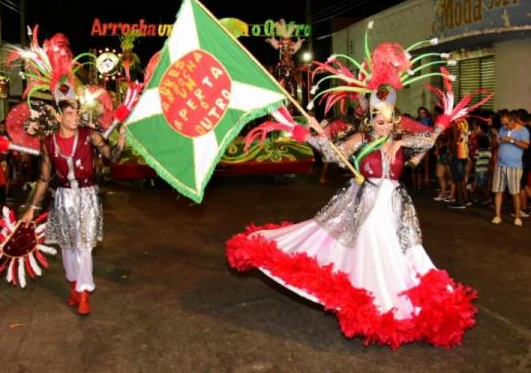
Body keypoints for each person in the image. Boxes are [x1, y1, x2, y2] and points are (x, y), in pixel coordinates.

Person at [226, 87, 477, 349]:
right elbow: (334, 154)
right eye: (380, 122)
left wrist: (404, 139)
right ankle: (374, 306)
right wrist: (311, 135)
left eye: (389, 121)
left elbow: (427, 140)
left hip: (394, 206)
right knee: (368, 249)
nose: (385, 126)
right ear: (370, 120)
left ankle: (400, 308)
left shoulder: (399, 136)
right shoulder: (360, 138)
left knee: (405, 252)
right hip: (366, 201)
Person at [21, 98, 126, 315]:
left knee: (84, 245)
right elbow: (43, 178)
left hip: (87, 196)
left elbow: (113, 157)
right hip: (63, 197)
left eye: (77, 112)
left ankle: (85, 292)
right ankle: (73, 286)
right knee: (67, 246)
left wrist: (122, 139)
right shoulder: (48, 142)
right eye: (69, 113)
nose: (75, 117)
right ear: (58, 116)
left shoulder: (90, 135)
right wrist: (32, 207)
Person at [492, 110, 530, 226]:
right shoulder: (503, 129)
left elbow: (526, 145)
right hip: (500, 165)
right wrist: (496, 139)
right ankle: (497, 216)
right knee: (498, 191)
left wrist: (511, 140)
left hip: (514, 166)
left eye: (506, 123)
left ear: (513, 120)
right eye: (503, 124)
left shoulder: (523, 130)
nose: (504, 126)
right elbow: (495, 144)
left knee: (515, 192)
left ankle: (517, 216)